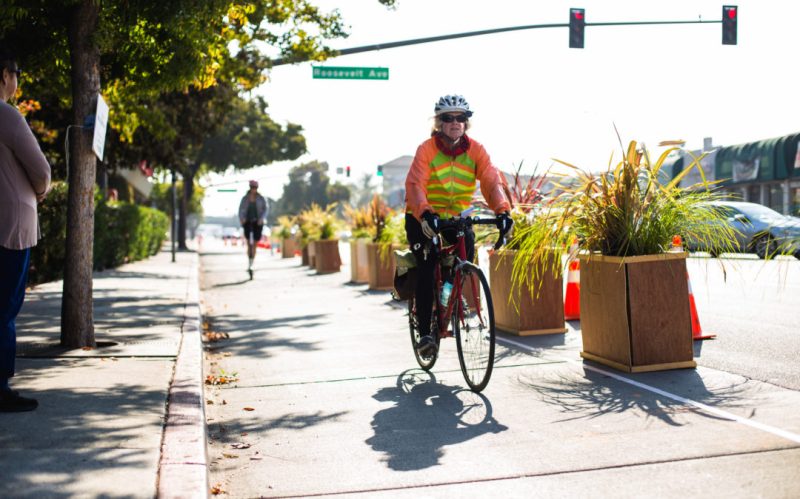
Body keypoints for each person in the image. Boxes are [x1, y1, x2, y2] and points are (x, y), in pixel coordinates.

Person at [405, 94, 513, 358]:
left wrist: (502, 211)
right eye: (448, 118)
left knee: (465, 254)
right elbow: (416, 184)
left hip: (456, 216)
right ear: (439, 123)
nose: (455, 122)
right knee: (427, 265)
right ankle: (426, 332)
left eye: (461, 118)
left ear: (466, 123)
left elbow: (491, 180)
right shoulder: (426, 150)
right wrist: (425, 212)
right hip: (423, 215)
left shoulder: (476, 150)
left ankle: (450, 293)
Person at [0, 48, 51, 412]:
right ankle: (0, 389)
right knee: (4, 308)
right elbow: (42, 171)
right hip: (10, 226)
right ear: (5, 76)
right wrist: (42, 192)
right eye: (16, 73)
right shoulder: (8, 116)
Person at [238, 179, 268, 273]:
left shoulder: (261, 198)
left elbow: (266, 209)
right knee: (248, 243)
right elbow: (240, 210)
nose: (253, 189)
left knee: (255, 243)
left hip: (258, 222)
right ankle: (249, 261)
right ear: (250, 188)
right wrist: (242, 219)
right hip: (247, 222)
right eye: (252, 187)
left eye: (255, 188)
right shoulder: (245, 198)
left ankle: (252, 262)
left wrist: (261, 219)